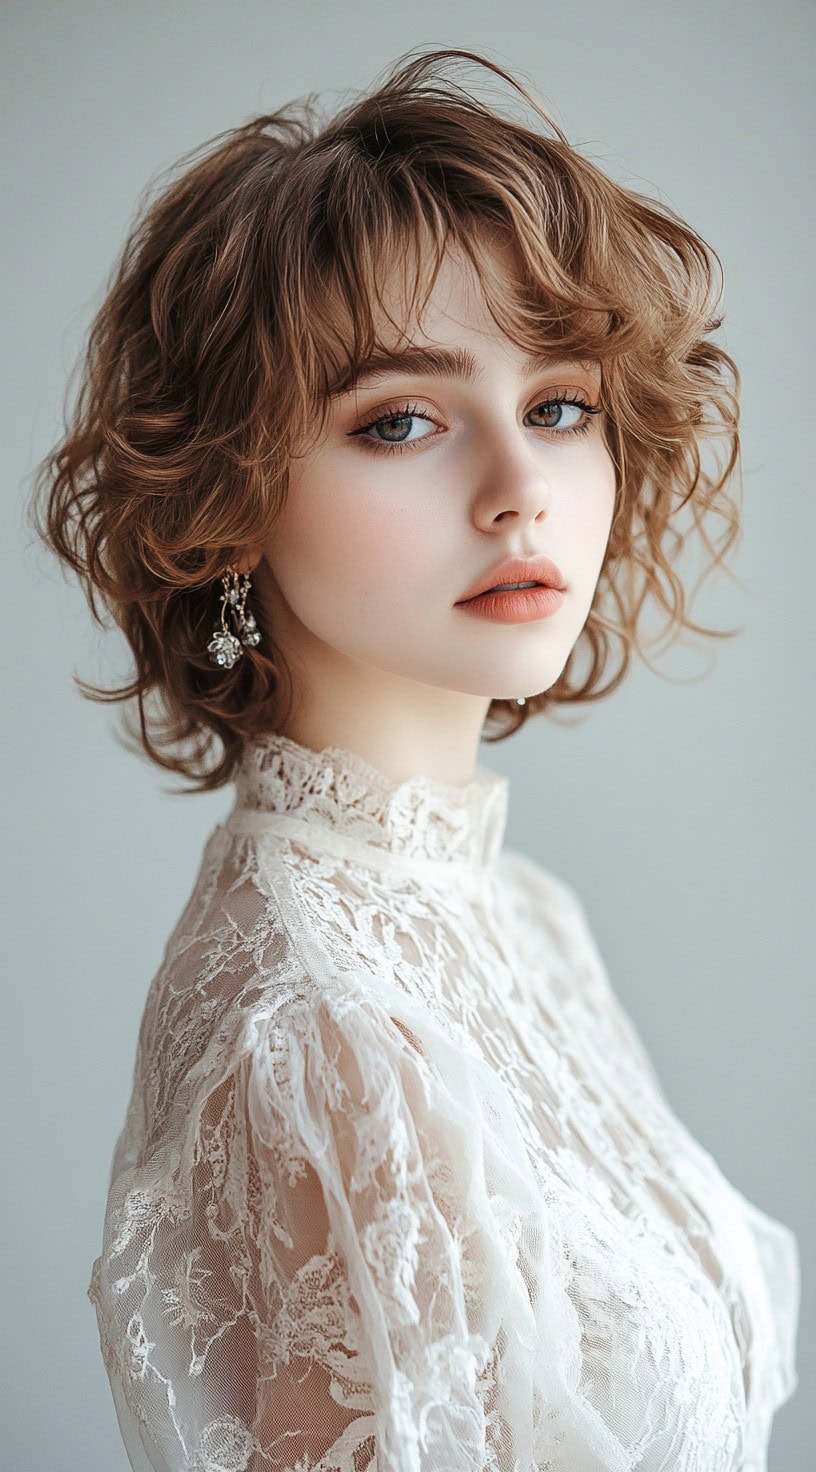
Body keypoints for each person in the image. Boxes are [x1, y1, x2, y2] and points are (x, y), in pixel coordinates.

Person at [30, 45, 799, 1472]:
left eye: (560, 404)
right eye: (402, 421)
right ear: (226, 495)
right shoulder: (311, 1017)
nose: (521, 491)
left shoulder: (526, 921)